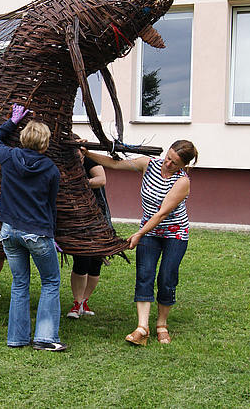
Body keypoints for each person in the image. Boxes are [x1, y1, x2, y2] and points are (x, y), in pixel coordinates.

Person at [84, 140, 198, 345]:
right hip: (149, 232)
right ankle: (142, 328)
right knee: (144, 275)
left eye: (174, 162)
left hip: (175, 234)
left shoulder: (183, 182)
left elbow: (162, 213)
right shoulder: (149, 164)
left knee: (166, 277)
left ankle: (161, 324)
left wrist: (138, 234)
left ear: (183, 165)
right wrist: (88, 153)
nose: (168, 164)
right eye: (168, 158)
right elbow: (115, 164)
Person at [0, 104, 65, 351]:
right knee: (51, 281)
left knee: (20, 283)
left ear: (22, 139)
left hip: (9, 231)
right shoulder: (51, 170)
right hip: (37, 233)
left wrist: (12, 121)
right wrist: (51, 235)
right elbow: (50, 206)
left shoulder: (9, 157)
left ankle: (17, 338)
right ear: (45, 144)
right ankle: (44, 338)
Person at [66, 147, 111, 319]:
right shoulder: (66, 165)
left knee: (96, 262)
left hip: (98, 217)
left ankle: (85, 300)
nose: (77, 157)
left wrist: (82, 183)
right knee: (82, 259)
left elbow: (101, 179)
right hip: (78, 220)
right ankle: (77, 303)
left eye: (79, 154)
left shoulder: (91, 163)